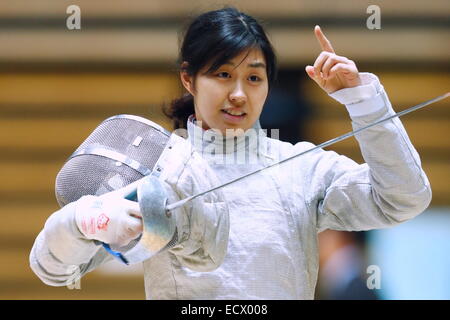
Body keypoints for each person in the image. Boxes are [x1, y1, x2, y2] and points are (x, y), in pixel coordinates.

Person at [30, 7, 431, 299]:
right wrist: (82, 222)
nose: (239, 94)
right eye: (222, 74)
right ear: (189, 78)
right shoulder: (154, 167)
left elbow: (403, 198)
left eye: (253, 78)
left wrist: (364, 101)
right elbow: (54, 269)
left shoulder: (302, 169)